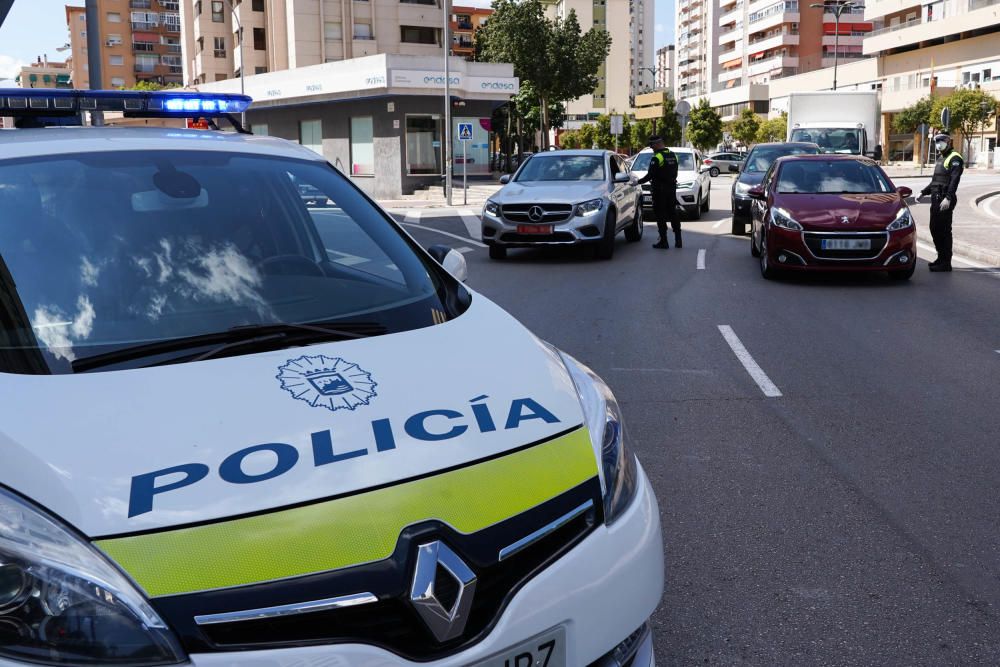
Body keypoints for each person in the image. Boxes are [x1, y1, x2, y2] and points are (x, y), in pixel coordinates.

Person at [919, 133, 963, 272]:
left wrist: (948, 198)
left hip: (944, 199)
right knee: (934, 228)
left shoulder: (955, 158)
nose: (939, 143)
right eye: (937, 141)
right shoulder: (940, 158)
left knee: (944, 230)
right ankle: (941, 257)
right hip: (936, 198)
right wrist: (923, 192)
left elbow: (954, 180)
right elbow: (936, 180)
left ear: (949, 142)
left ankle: (946, 262)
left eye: (942, 140)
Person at [634, 135, 680, 249]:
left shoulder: (657, 157)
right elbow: (674, 172)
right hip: (671, 189)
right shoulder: (673, 155)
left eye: (652, 145)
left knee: (660, 215)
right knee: (673, 213)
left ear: (657, 144)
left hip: (659, 191)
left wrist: (637, 182)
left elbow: (650, 175)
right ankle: (678, 240)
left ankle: (663, 241)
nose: (651, 148)